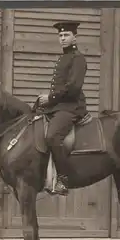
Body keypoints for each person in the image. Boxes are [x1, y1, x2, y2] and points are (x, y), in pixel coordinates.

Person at [37, 21, 88, 195]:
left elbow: (73, 88)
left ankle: (63, 179)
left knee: (52, 136)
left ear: (75, 36)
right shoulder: (63, 58)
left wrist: (50, 98)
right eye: (60, 35)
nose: (62, 38)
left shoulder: (78, 58)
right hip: (59, 106)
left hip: (71, 107)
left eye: (66, 35)